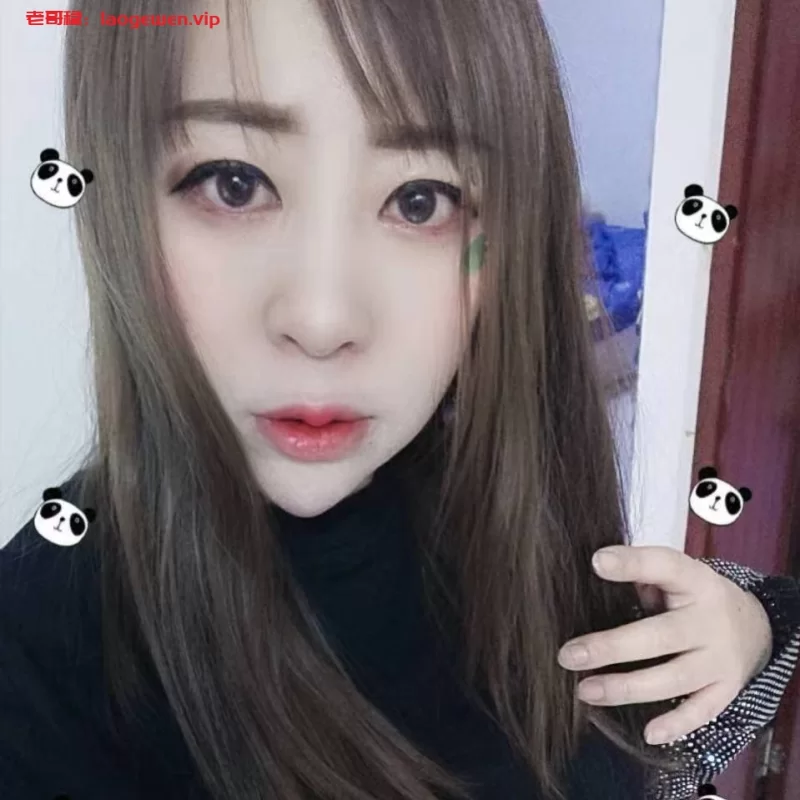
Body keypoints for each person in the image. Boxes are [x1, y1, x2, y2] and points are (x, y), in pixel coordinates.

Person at [1, 1, 798, 799]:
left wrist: (750, 632)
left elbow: (695, 694)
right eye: (233, 184)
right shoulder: (41, 647)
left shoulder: (508, 505)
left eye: (422, 201)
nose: (323, 320)